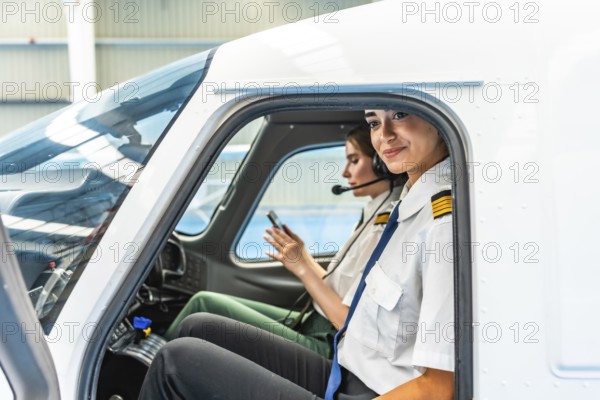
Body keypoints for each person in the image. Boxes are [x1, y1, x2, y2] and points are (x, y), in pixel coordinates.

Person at [139, 110, 454, 400]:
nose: (384, 134)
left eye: (399, 115)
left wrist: (304, 268)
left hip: (368, 389)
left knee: (174, 362)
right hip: (344, 367)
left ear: (437, 118)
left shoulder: (443, 224)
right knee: (200, 325)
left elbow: (441, 387)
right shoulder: (408, 205)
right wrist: (301, 262)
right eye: (373, 122)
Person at [162, 123, 405, 359]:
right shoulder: (374, 212)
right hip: (314, 321)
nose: (344, 172)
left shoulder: (383, 227)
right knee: (203, 303)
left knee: (202, 305)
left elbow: (347, 321)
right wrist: (303, 257)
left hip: (330, 341)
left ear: (380, 164)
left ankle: (145, 372)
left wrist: (302, 267)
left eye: (354, 160)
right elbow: (341, 286)